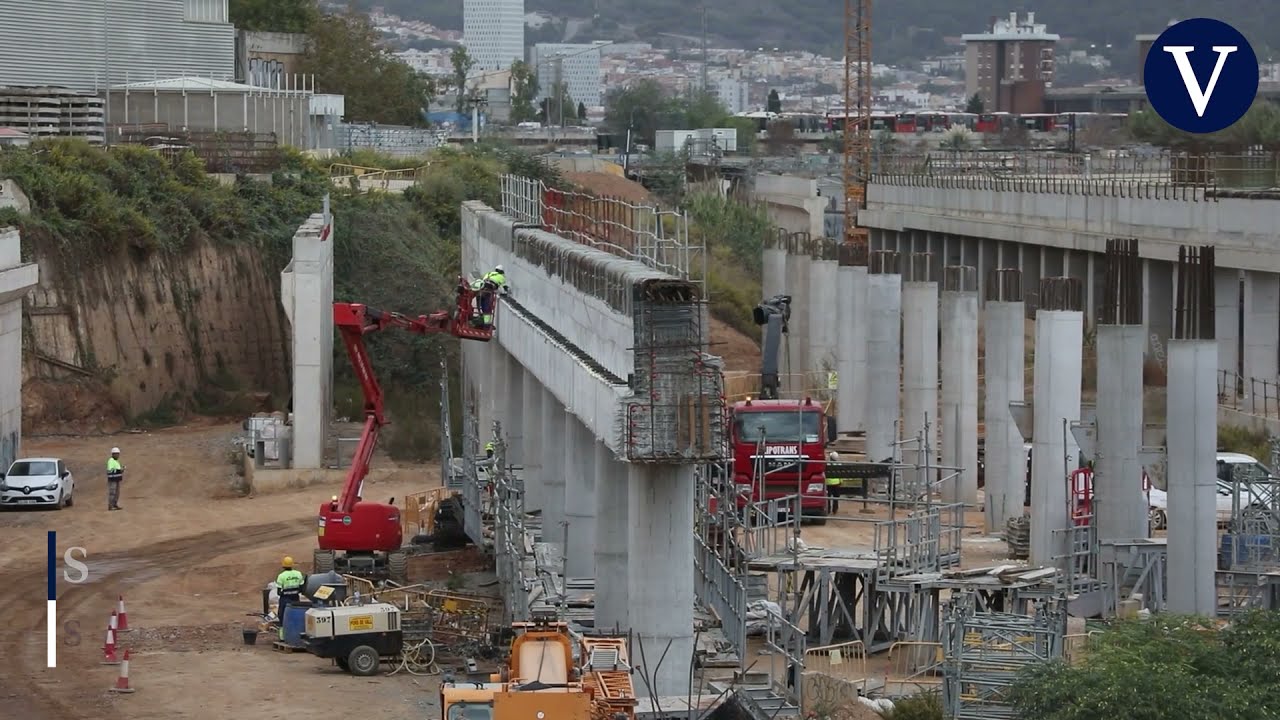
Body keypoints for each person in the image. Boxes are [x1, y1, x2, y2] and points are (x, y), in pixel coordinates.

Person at [275, 556, 305, 640]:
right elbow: (302, 588)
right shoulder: (298, 574)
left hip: (285, 599)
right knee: (295, 618)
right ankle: (295, 635)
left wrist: (285, 592)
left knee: (282, 616)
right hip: (295, 598)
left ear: (283, 565)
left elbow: (278, 592)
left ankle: (282, 637)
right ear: (292, 564)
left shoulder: (281, 576)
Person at [106, 447, 124, 511]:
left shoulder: (116, 461)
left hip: (117, 479)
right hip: (113, 479)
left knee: (117, 493)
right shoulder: (111, 461)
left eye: (118, 454)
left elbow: (117, 470)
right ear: (113, 454)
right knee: (112, 492)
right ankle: (110, 505)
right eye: (116, 454)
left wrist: (121, 470)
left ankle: (114, 504)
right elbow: (110, 470)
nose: (117, 455)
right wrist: (119, 470)